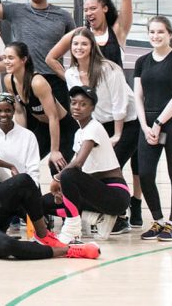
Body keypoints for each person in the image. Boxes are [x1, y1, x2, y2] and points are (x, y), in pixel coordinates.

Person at [64, 27, 139, 234]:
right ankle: (106, 213)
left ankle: (122, 215)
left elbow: (119, 103)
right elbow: (84, 104)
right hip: (100, 123)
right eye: (75, 44)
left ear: (92, 47)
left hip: (127, 122)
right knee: (92, 169)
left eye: (84, 44)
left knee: (113, 164)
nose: (79, 47)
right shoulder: (71, 72)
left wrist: (116, 134)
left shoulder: (108, 69)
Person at [41, 86, 132, 244]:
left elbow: (78, 163)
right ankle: (96, 217)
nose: (77, 107)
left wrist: (57, 178)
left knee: (68, 174)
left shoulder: (94, 127)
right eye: (74, 103)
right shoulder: (79, 133)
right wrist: (63, 191)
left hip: (115, 195)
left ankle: (73, 230)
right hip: (95, 195)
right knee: (42, 203)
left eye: (83, 104)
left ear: (92, 108)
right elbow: (77, 169)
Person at [133, 16, 172, 241]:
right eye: (152, 32)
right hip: (147, 125)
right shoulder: (142, 61)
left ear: (170, 34)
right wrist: (145, 126)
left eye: (160, 32)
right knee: (145, 173)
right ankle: (157, 220)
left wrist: (158, 123)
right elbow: (138, 96)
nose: (155, 36)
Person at [2, 41, 75, 173]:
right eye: (4, 58)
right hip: (43, 126)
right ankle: (34, 193)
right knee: (23, 163)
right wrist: (21, 141)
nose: (6, 61)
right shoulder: (9, 80)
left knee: (56, 167)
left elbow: (53, 117)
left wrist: (54, 151)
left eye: (11, 58)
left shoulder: (37, 82)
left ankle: (66, 192)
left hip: (64, 127)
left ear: (23, 59)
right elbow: (19, 112)